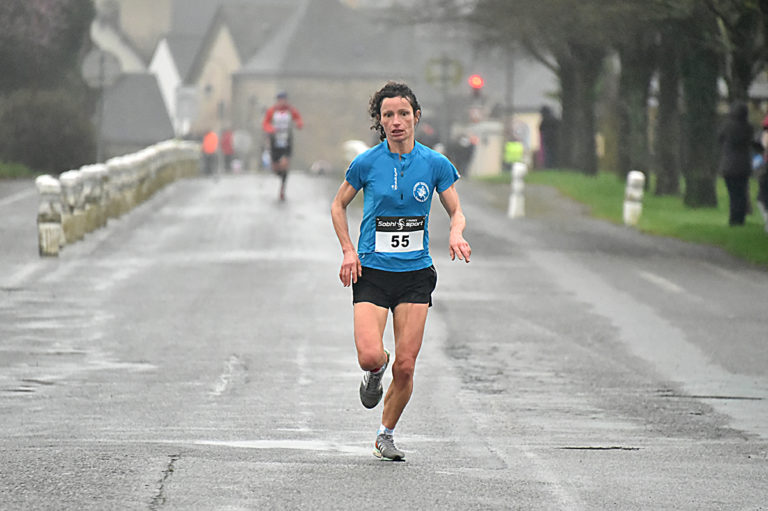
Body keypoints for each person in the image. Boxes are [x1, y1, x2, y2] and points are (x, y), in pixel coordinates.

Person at [330, 81, 472, 461]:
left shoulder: (435, 164)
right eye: (388, 115)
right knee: (369, 356)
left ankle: (385, 435)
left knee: (406, 366)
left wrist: (456, 232)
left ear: (416, 117)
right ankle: (376, 372)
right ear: (380, 121)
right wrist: (348, 251)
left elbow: (456, 210)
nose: (396, 122)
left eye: (403, 114)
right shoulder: (367, 163)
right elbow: (338, 205)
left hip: (415, 275)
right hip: (373, 273)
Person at [262, 91, 303, 200]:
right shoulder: (272, 111)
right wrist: (270, 129)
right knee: (276, 167)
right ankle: (279, 172)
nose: (282, 102)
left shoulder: (291, 111)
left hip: (286, 141)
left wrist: (298, 124)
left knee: (285, 163)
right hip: (275, 141)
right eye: (280, 100)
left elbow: (298, 119)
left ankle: (282, 189)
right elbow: (265, 123)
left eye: (284, 100)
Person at [718, 101, 753, 226]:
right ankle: (740, 219)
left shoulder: (727, 126)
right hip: (744, 165)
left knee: (733, 194)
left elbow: (719, 139)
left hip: (729, 165)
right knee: (742, 193)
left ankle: (733, 219)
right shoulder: (748, 127)